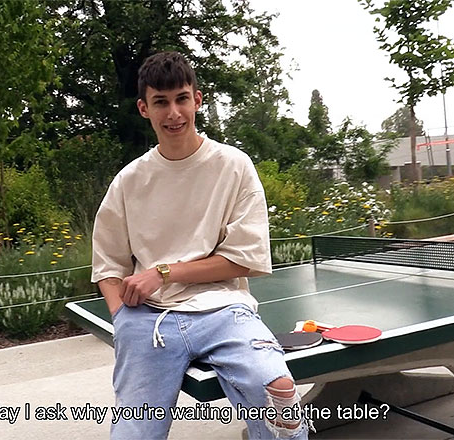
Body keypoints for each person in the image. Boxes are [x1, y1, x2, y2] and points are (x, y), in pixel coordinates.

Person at [91, 51, 309, 440]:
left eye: (181, 99)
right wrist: (122, 317)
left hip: (224, 309)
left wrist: (163, 273)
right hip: (149, 320)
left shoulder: (234, 166)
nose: (173, 113)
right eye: (161, 102)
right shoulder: (128, 181)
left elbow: (243, 260)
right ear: (144, 108)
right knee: (134, 434)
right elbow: (107, 264)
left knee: (280, 395)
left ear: (197, 100)